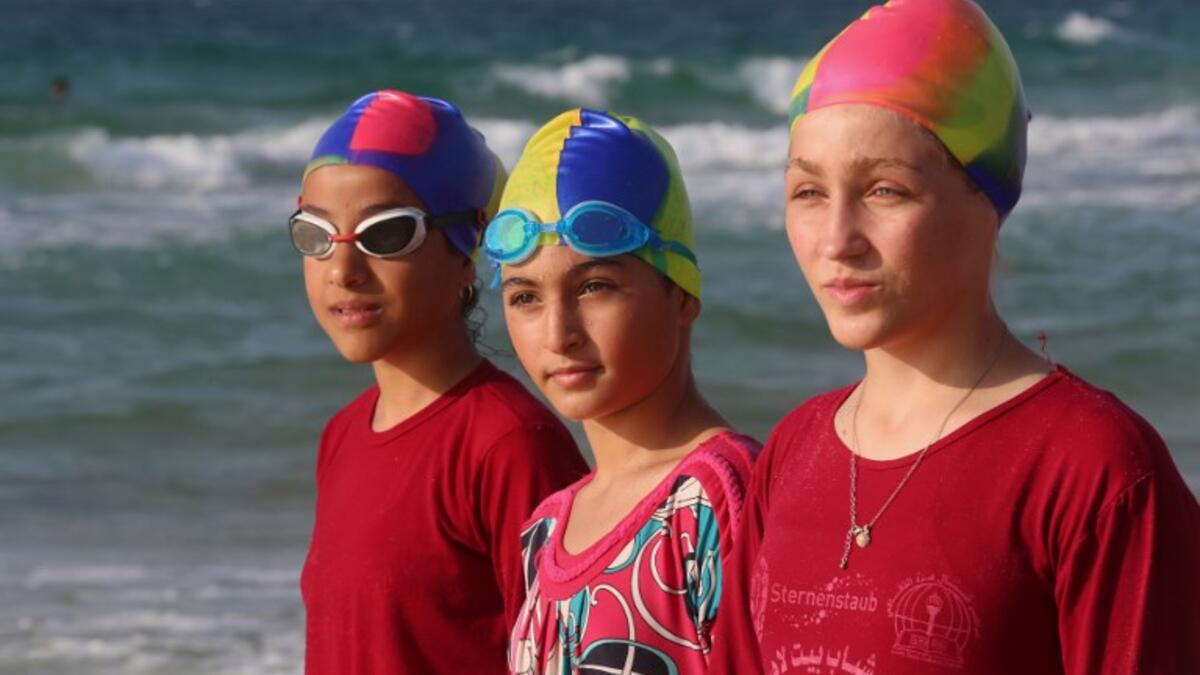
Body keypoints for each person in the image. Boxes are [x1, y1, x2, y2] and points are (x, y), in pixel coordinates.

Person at [710, 1, 1200, 673]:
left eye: (885, 190)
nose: (836, 240)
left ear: (987, 196)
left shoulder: (1092, 467)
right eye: (808, 192)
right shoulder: (794, 449)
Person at [293, 90, 588, 675]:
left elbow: (569, 652)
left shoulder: (509, 445)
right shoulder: (342, 435)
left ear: (466, 252)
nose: (343, 271)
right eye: (316, 235)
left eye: (384, 235)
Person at [486, 108, 761, 674]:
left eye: (594, 286)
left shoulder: (719, 500)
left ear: (681, 294)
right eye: (525, 297)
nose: (558, 334)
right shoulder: (546, 526)